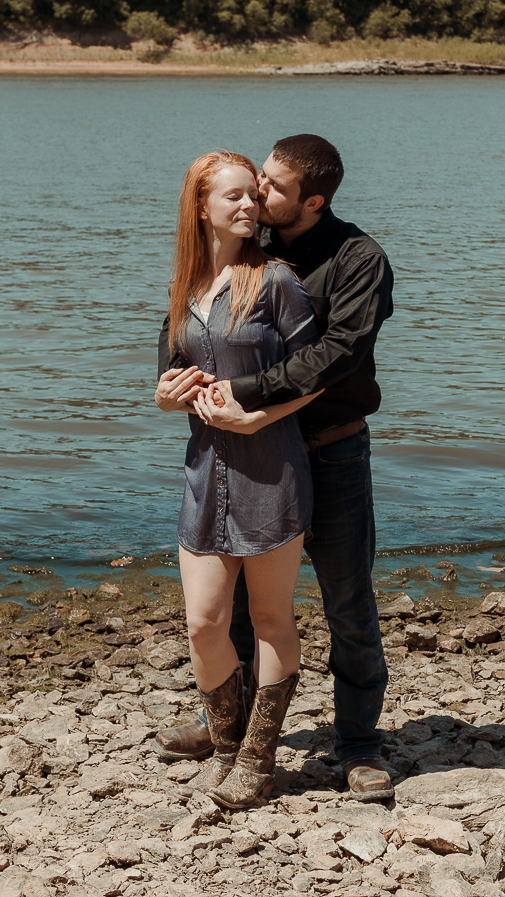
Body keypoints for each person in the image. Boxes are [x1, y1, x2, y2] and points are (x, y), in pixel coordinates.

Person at [156, 134, 397, 802]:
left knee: (346, 599)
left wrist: (249, 405)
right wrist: (179, 388)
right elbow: (181, 331)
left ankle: (358, 745)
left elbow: (335, 357)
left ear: (311, 201)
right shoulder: (242, 246)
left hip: (331, 447)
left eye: (274, 188)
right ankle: (225, 728)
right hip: (246, 451)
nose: (259, 195)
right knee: (227, 605)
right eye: (256, 180)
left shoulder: (357, 260)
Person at [153, 150, 323, 810]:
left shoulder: (277, 281)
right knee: (203, 622)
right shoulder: (185, 286)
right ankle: (225, 749)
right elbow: (171, 374)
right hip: (205, 472)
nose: (250, 207)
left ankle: (257, 761)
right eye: (234, 198)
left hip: (271, 468)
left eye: (254, 196)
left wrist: (258, 416)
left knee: (271, 616)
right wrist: (165, 397)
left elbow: (317, 374)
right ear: (201, 207)